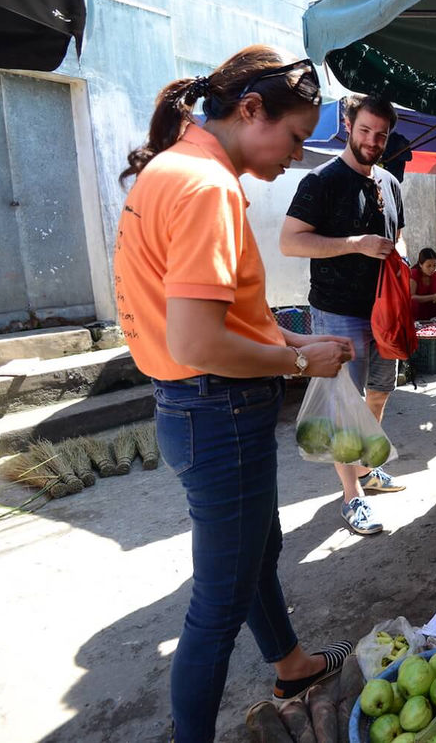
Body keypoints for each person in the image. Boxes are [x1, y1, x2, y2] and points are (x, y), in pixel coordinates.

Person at [114, 46, 356, 742]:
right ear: (251, 110)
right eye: (294, 137)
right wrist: (296, 363)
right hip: (215, 406)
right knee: (216, 607)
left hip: (191, 408)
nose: (295, 154)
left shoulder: (172, 169)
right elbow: (197, 341)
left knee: (257, 552)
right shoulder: (206, 188)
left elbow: (206, 318)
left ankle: (292, 663)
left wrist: (288, 339)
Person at [280, 94, 407, 536]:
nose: (373, 140)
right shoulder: (321, 181)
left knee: (378, 393)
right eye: (366, 130)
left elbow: (398, 237)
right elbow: (291, 241)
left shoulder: (390, 183)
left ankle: (368, 469)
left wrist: (401, 267)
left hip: (384, 313)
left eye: (382, 134)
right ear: (348, 125)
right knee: (342, 408)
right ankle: (352, 497)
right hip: (338, 313)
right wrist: (355, 244)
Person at [410, 247, 436, 321]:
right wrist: (432, 297)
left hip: (435, 315)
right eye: (428, 266)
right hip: (417, 315)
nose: (432, 269)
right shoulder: (414, 274)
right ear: (421, 265)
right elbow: (411, 297)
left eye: (434, 265)